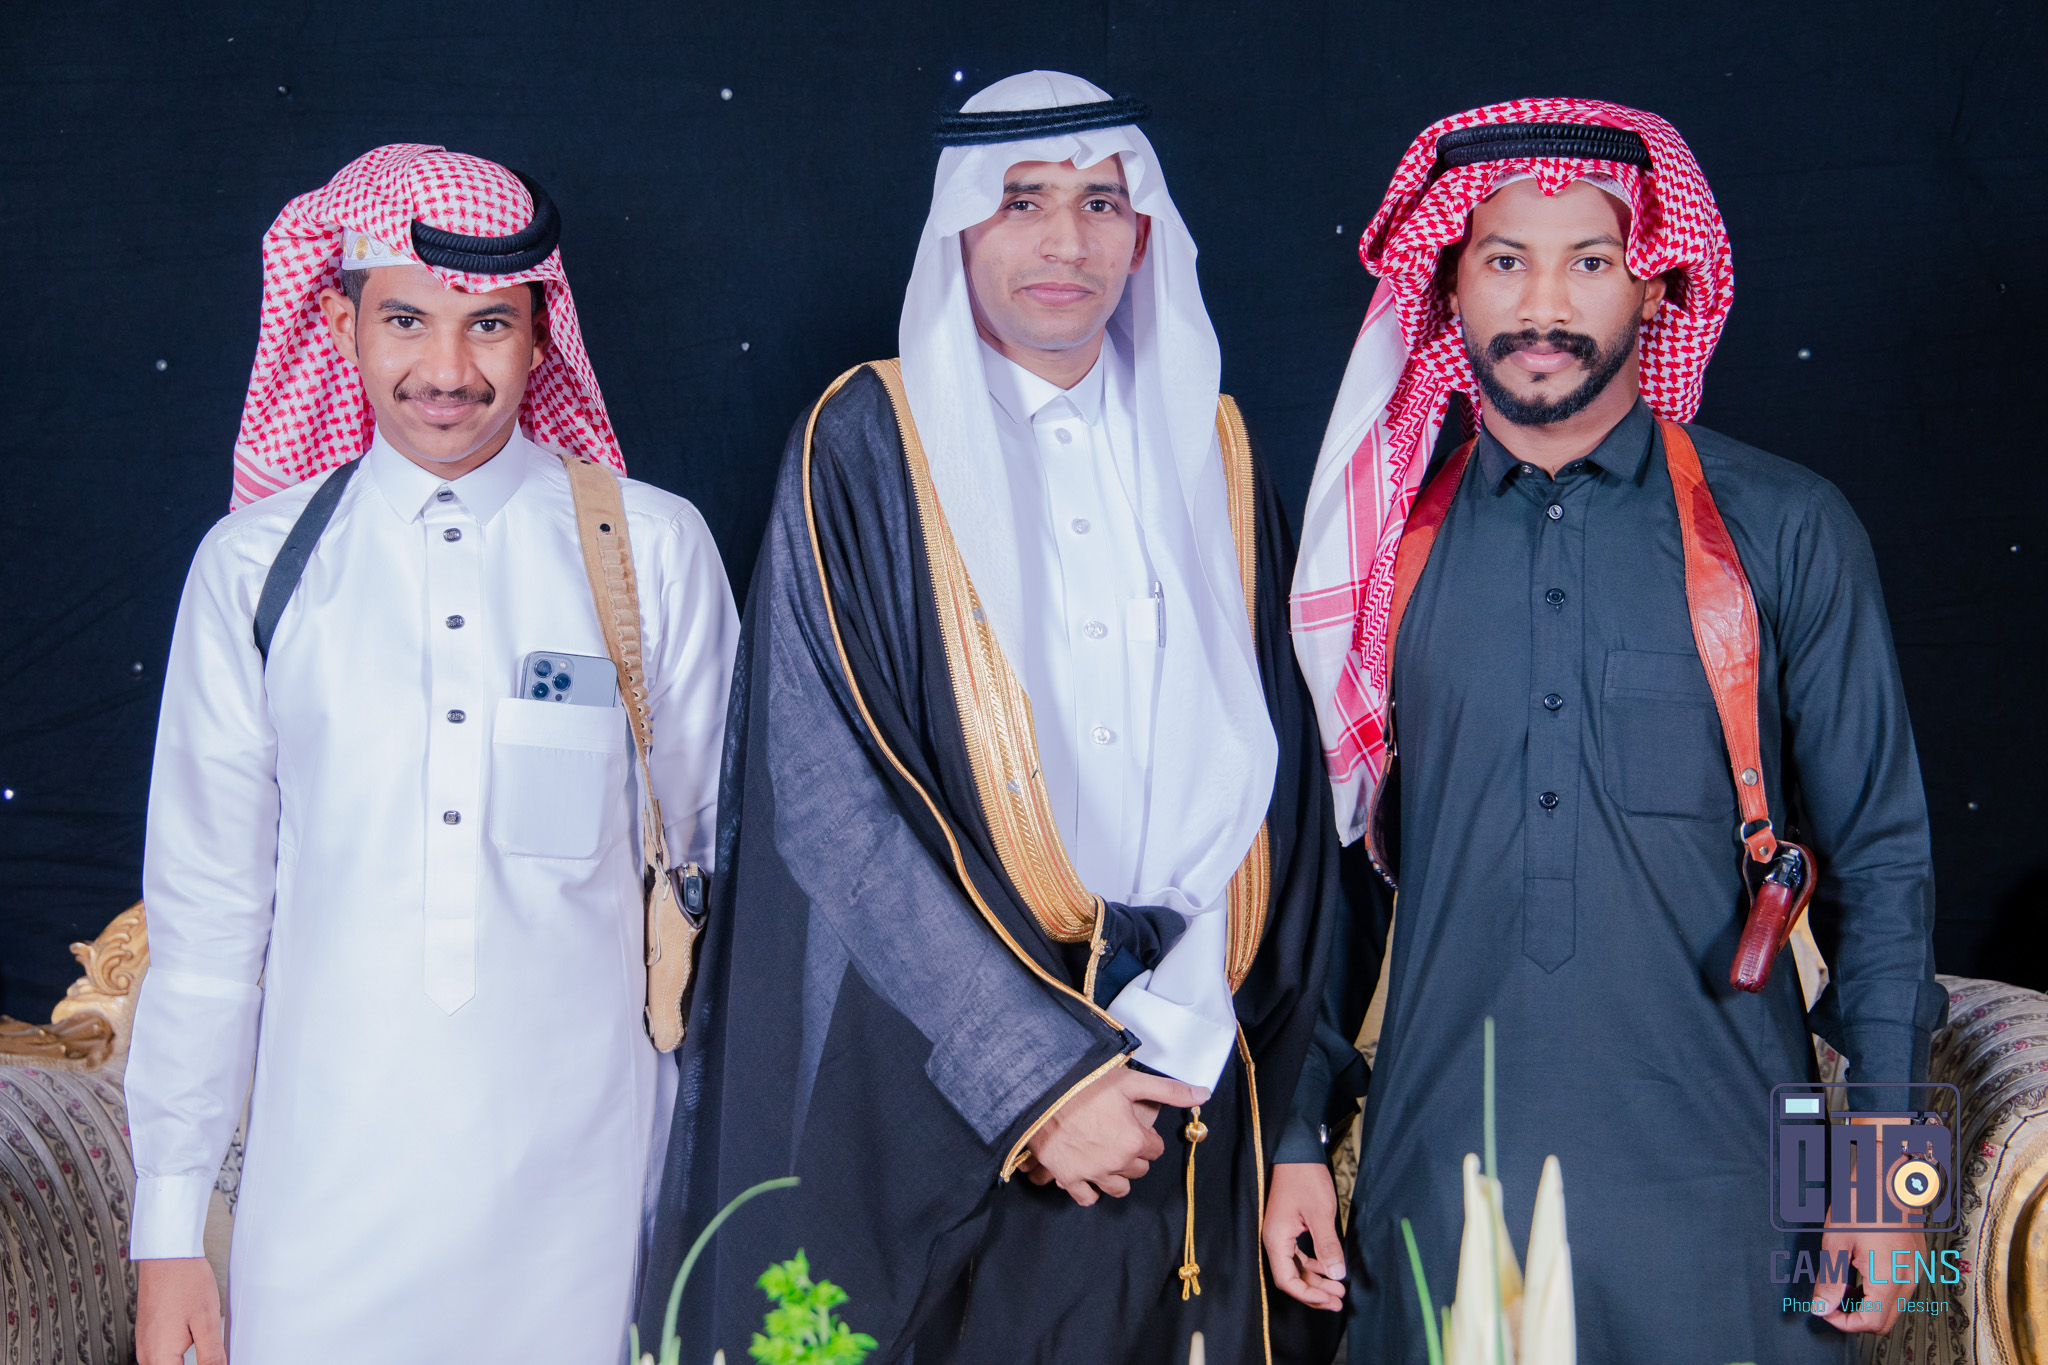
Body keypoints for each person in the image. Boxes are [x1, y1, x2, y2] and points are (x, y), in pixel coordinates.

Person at [639, 72, 1338, 1364]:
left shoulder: (1218, 452)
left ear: (1143, 234)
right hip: (954, 1093)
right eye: (1021, 201)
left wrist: (1283, 1111)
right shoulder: (865, 444)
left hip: (1193, 1093)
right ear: (960, 224)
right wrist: (1033, 1076)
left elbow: (1289, 806)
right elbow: (827, 801)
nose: (1064, 241)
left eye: (1099, 203)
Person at [1277, 100, 1943, 1363]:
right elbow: (1338, 881)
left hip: (1740, 1198)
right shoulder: (1376, 555)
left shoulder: (1783, 526)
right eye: (1503, 259)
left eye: (1589, 260)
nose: (1543, 304)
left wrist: (1888, 1181)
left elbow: (1885, 862)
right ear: (1448, 286)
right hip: (1444, 1179)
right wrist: (1294, 1132)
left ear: (1654, 283)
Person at [125, 144, 738, 1364]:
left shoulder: (649, 552)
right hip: (326, 1201)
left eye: (488, 324)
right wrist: (171, 1232)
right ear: (339, 325)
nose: (447, 371)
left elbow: (720, 881)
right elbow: (206, 918)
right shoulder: (254, 570)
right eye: (405, 320)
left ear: (540, 335)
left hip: (593, 1203)